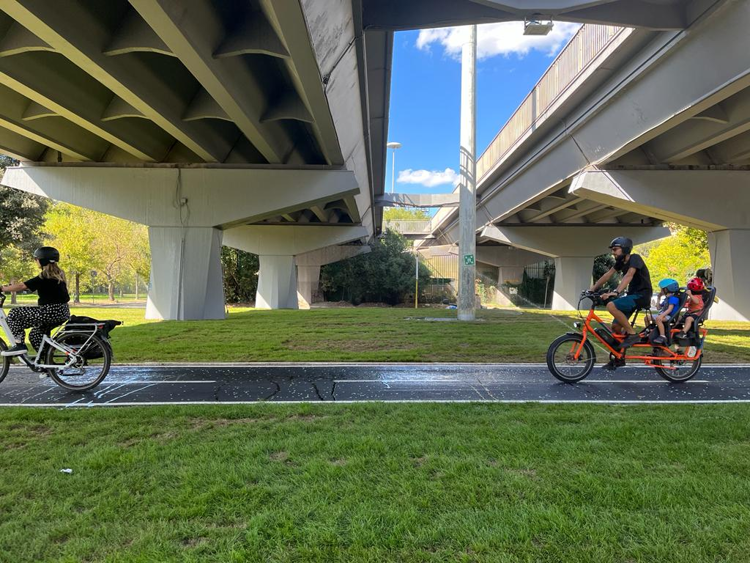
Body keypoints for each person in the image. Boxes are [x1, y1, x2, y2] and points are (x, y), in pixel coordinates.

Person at [0, 247, 70, 356]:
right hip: (62, 312)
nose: (35, 261)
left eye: (36, 259)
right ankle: (47, 363)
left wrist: (2, 289)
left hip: (49, 312)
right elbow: (28, 285)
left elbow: (23, 286)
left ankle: (19, 344)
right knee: (35, 334)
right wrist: (10, 287)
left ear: (42, 260)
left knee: (14, 313)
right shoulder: (58, 275)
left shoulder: (44, 276)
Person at [590, 236, 653, 349]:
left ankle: (632, 334)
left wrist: (616, 292)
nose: (612, 253)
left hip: (641, 295)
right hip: (632, 296)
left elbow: (629, 275)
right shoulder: (620, 262)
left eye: (615, 249)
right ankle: (619, 356)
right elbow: (607, 275)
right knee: (615, 327)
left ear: (624, 249)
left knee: (611, 305)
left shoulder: (635, 258)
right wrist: (592, 289)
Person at [645, 278, 681, 345]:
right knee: (647, 318)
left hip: (669, 316)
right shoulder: (667, 298)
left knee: (658, 319)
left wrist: (661, 316)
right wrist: (659, 298)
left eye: (662, 289)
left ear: (667, 289)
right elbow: (658, 308)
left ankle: (662, 336)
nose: (660, 290)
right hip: (664, 315)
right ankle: (649, 331)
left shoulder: (673, 298)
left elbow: (670, 309)